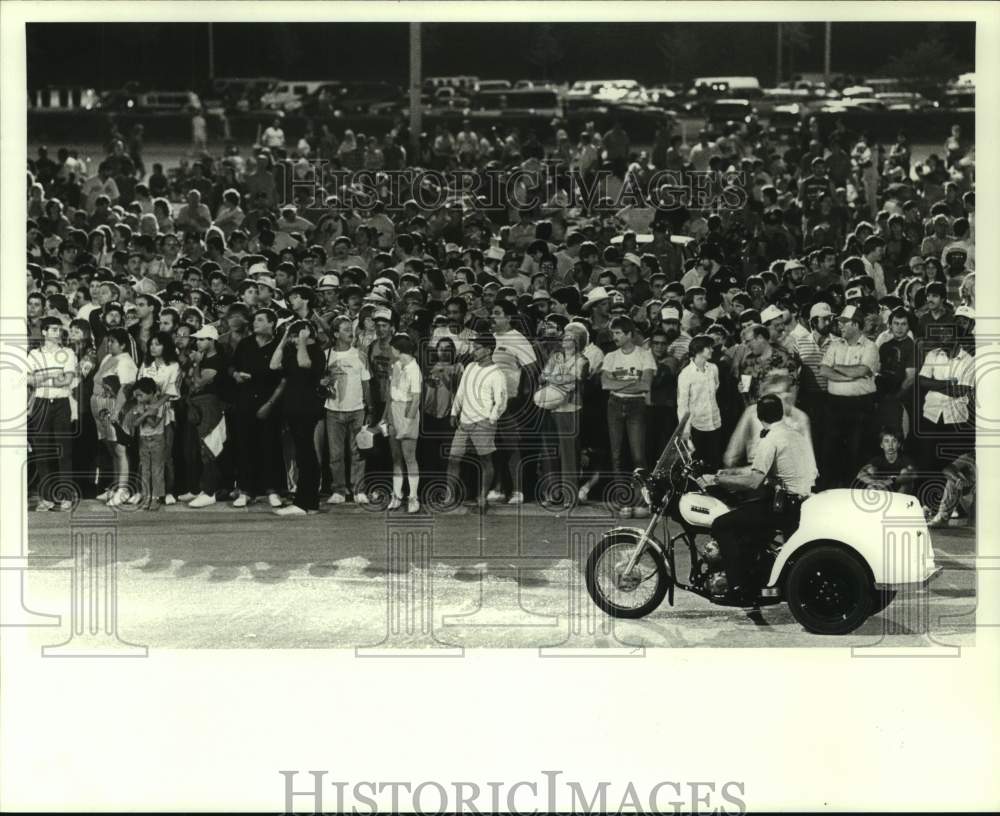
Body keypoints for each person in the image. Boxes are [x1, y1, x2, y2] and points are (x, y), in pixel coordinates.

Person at [704, 394, 816, 603]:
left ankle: (737, 587)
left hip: (784, 507)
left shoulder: (770, 439)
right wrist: (730, 475)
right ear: (780, 412)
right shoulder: (795, 435)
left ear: (758, 415)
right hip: (801, 502)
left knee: (721, 524)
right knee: (749, 516)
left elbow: (754, 481)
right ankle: (752, 575)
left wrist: (718, 481)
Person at [230, 307, 285, 509]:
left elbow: (284, 379)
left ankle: (272, 491)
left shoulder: (280, 346)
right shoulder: (245, 344)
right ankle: (245, 491)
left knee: (269, 447)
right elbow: (232, 366)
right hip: (245, 402)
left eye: (260, 320)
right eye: (255, 320)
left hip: (270, 403)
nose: (255, 323)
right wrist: (235, 375)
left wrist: (270, 404)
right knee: (244, 447)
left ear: (271, 323)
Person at [819, 304, 879, 488]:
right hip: (835, 405)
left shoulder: (870, 347)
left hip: (860, 406)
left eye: (845, 323)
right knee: (831, 448)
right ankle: (832, 489)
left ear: (856, 324)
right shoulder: (835, 345)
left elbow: (862, 370)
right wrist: (849, 376)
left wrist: (836, 367)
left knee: (857, 449)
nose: (841, 327)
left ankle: (854, 490)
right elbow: (823, 370)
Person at [447, 334, 508, 513]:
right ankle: (449, 495)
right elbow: (461, 391)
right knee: (453, 458)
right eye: (474, 347)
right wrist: (454, 411)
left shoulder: (497, 373)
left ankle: (482, 496)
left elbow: (501, 401)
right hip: (464, 421)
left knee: (485, 459)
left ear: (488, 350)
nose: (474, 351)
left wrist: (491, 419)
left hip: (483, 422)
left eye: (478, 348)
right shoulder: (470, 367)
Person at [270, 320, 325, 516]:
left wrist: (302, 339)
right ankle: (308, 503)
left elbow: (305, 363)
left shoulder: (316, 351)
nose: (293, 339)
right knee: (303, 454)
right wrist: (284, 338)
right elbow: (274, 364)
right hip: (293, 408)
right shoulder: (292, 351)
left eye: (295, 335)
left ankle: (304, 502)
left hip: (307, 408)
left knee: (306, 455)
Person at [601, 316, 654, 518]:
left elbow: (645, 385)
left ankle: (641, 501)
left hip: (636, 405)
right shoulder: (611, 357)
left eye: (618, 333)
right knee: (617, 455)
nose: (614, 336)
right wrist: (631, 383)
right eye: (613, 333)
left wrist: (618, 382)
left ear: (629, 334)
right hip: (614, 404)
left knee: (638, 455)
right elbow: (606, 385)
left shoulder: (644, 355)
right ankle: (624, 501)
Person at [27, 316, 78, 511]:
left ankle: (66, 496)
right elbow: (29, 381)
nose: (57, 333)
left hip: (61, 402)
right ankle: (46, 498)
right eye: (53, 329)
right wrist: (51, 375)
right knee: (42, 451)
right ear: (44, 332)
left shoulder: (68, 352)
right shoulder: (33, 354)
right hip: (40, 403)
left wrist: (41, 377)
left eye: (59, 329)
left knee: (64, 450)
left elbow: (65, 381)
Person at [323, 314, 373, 505]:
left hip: (357, 409)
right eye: (345, 330)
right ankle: (339, 490)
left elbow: (366, 383)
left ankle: (359, 489)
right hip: (333, 410)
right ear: (335, 333)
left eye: (350, 329)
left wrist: (370, 408)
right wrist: (325, 381)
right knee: (335, 454)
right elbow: (320, 383)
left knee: (358, 452)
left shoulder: (360, 354)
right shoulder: (327, 354)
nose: (350, 333)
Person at [538, 322, 589, 508]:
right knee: (549, 451)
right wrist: (556, 379)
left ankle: (570, 495)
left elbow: (572, 383)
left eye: (569, 337)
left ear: (577, 341)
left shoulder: (582, 360)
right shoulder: (556, 356)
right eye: (565, 336)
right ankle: (553, 493)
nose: (565, 339)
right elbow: (542, 377)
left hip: (570, 409)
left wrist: (554, 379)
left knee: (569, 454)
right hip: (552, 408)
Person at [184, 325, 227, 508]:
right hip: (197, 405)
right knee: (201, 448)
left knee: (209, 448)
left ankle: (211, 491)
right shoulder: (202, 359)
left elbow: (198, 383)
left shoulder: (217, 360)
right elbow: (189, 382)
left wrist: (196, 364)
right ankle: (205, 487)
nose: (198, 342)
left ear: (212, 341)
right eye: (198, 339)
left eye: (202, 339)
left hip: (210, 406)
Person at [383, 333, 423, 513]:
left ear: (398, 349)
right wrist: (387, 416)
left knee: (409, 457)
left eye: (392, 348)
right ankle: (397, 495)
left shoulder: (415, 370)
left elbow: (416, 400)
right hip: (394, 410)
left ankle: (413, 497)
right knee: (396, 457)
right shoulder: (396, 366)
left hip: (408, 412)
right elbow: (390, 393)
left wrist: (407, 421)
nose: (390, 350)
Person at [677, 334, 723, 471]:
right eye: (709, 348)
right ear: (699, 350)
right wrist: (685, 430)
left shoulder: (713, 368)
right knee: (697, 464)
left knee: (714, 462)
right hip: (697, 425)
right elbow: (682, 404)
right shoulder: (685, 374)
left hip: (715, 422)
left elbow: (716, 387)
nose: (712, 350)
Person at [130, 377, 168, 510]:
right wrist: (145, 413)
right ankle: (146, 496)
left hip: (157, 438)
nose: (138, 398)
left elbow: (154, 423)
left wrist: (144, 413)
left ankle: (156, 497)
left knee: (156, 469)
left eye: (141, 395)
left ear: (151, 393)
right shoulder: (140, 406)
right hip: (143, 439)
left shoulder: (161, 405)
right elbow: (135, 423)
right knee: (145, 469)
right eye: (137, 396)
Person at [853, 427, 916, 494]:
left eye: (894, 441)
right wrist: (876, 483)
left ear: (898, 445)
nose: (890, 445)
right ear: (881, 445)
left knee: (906, 473)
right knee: (871, 474)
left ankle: (898, 502)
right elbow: (860, 475)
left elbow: (914, 475)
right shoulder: (877, 460)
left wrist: (890, 481)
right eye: (886, 441)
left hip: (899, 492)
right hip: (884, 491)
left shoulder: (905, 459)